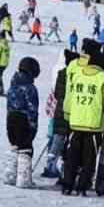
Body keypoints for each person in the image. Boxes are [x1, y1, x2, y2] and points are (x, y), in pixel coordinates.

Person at [62, 39, 104, 195]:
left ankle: (67, 185)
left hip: (75, 122)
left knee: (72, 155)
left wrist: (68, 113)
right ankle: (82, 186)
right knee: (88, 158)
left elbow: (70, 96)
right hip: (93, 126)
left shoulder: (79, 76)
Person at [4, 57, 40, 188]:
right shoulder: (30, 88)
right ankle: (24, 179)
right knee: (25, 149)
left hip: (11, 119)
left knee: (15, 147)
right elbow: (32, 109)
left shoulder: (13, 84)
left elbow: (8, 104)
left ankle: (10, 175)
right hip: (23, 120)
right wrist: (33, 127)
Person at [43, 49, 79, 178]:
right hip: (71, 112)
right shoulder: (77, 75)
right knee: (69, 141)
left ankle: (50, 165)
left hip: (58, 110)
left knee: (58, 137)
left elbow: (57, 92)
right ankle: (65, 169)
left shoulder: (61, 73)